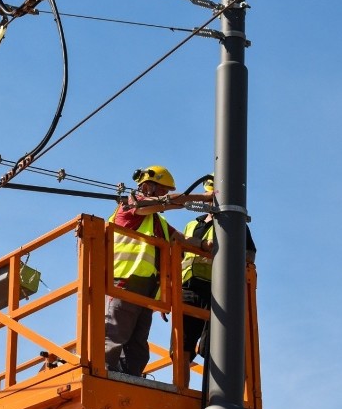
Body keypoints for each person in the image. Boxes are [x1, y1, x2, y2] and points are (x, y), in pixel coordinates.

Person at [105, 165, 213, 376]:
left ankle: (129, 378)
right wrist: (204, 197)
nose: (165, 195)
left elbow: (180, 239)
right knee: (116, 333)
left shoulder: (157, 223)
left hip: (147, 290)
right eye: (162, 190)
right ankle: (106, 373)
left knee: (138, 344)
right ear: (147, 187)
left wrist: (203, 246)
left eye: (166, 191)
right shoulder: (129, 208)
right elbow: (171, 202)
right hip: (125, 282)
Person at [179, 174, 256, 386]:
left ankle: (214, 395)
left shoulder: (235, 225)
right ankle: (181, 389)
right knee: (182, 345)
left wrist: (224, 250)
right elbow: (178, 258)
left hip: (216, 290)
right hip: (188, 289)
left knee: (213, 349)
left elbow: (249, 255)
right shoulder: (190, 225)